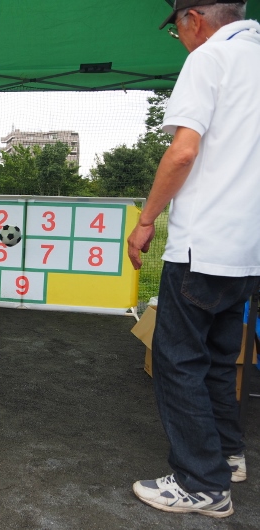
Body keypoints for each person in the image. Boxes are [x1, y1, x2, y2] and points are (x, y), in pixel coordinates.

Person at [127, 0, 260, 518]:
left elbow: (183, 151)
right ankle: (227, 455)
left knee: (178, 360)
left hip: (203, 243)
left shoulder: (209, 58)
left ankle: (202, 483)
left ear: (194, 19)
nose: (180, 40)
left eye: (177, 30)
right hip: (247, 249)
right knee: (220, 359)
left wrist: (145, 221)